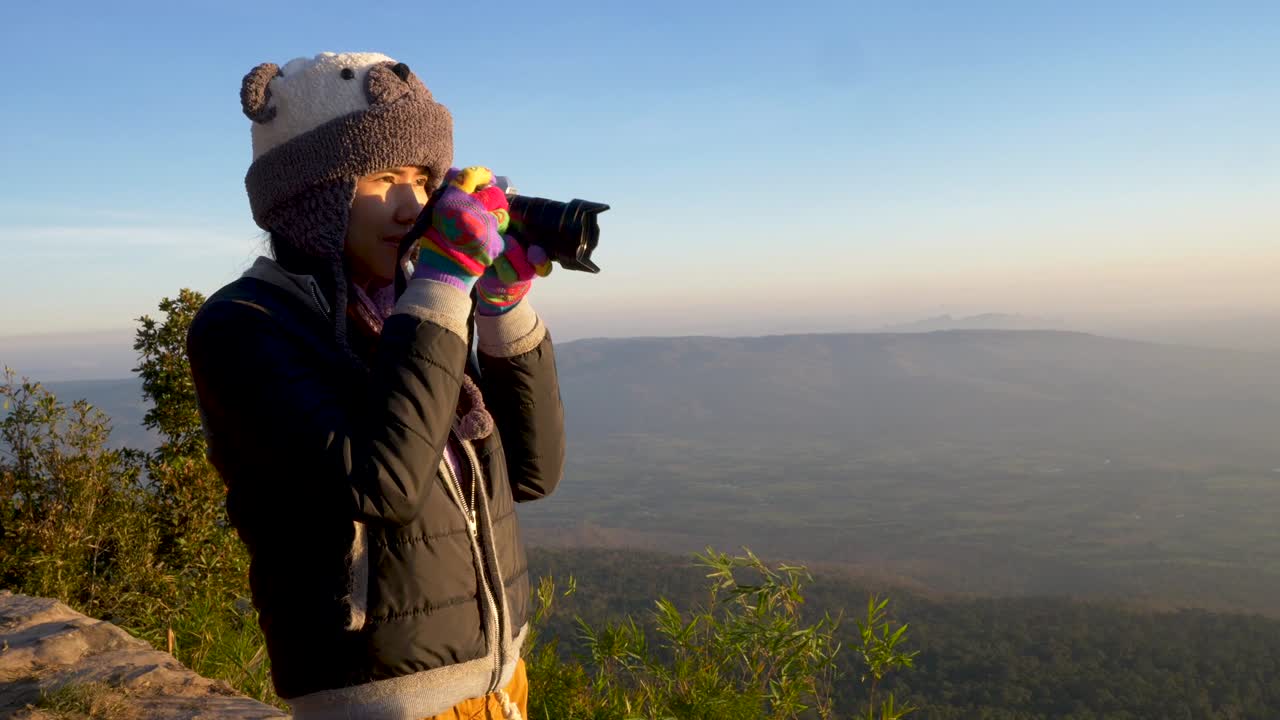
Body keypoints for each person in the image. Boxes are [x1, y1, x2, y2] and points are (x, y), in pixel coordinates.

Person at [186, 51, 565, 720]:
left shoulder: (400, 315)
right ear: (311, 196)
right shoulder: (242, 328)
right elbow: (381, 485)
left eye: (424, 179)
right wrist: (444, 288)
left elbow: (531, 473)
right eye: (382, 177)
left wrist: (500, 313)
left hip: (503, 688)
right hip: (382, 703)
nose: (411, 206)